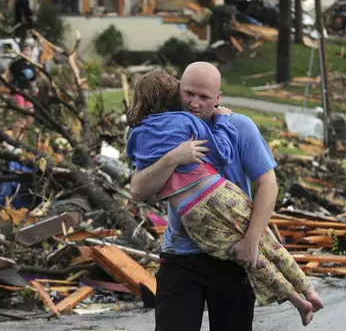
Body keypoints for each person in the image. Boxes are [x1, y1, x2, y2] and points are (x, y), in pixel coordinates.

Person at [126, 70, 323, 327]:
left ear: (217, 97)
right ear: (177, 91)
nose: (195, 102)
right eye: (189, 94)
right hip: (181, 255)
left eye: (204, 97)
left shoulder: (239, 126)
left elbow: (268, 184)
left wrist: (251, 241)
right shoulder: (168, 128)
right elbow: (138, 189)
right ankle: (303, 297)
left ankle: (304, 295)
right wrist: (174, 157)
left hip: (234, 253)